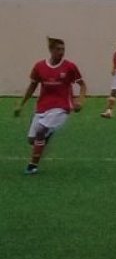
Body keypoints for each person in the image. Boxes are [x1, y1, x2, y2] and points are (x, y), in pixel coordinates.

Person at [13, 37, 87, 175]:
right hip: (42, 107)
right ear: (51, 50)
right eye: (58, 49)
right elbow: (32, 86)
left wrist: (80, 101)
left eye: (63, 49)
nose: (61, 52)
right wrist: (21, 104)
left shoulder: (70, 66)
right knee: (32, 140)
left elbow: (82, 85)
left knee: (40, 130)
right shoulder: (39, 66)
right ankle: (47, 134)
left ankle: (32, 166)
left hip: (62, 107)